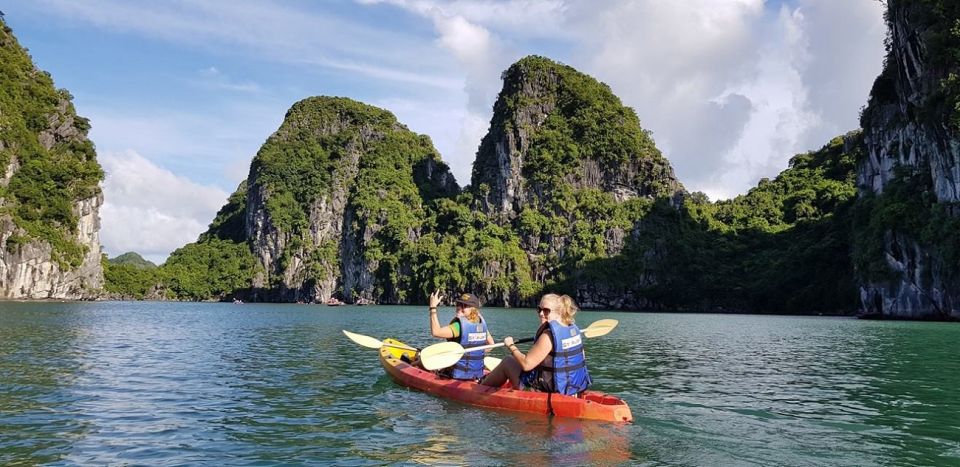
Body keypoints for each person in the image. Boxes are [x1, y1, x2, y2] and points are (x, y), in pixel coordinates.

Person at [480, 293, 592, 395]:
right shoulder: (572, 330)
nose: (541, 314)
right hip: (570, 388)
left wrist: (511, 345)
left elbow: (526, 364)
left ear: (559, 312)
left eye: (546, 310)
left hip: (543, 391)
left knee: (508, 361)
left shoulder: (548, 335)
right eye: (539, 309)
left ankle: (479, 389)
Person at [427, 289, 495, 380]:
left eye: (464, 306)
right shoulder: (481, 324)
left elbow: (436, 332)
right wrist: (474, 354)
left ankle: (413, 363)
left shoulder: (458, 326)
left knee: (420, 362)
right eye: (458, 304)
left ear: (473, 309)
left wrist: (433, 307)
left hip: (456, 374)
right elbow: (491, 345)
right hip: (476, 373)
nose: (459, 307)